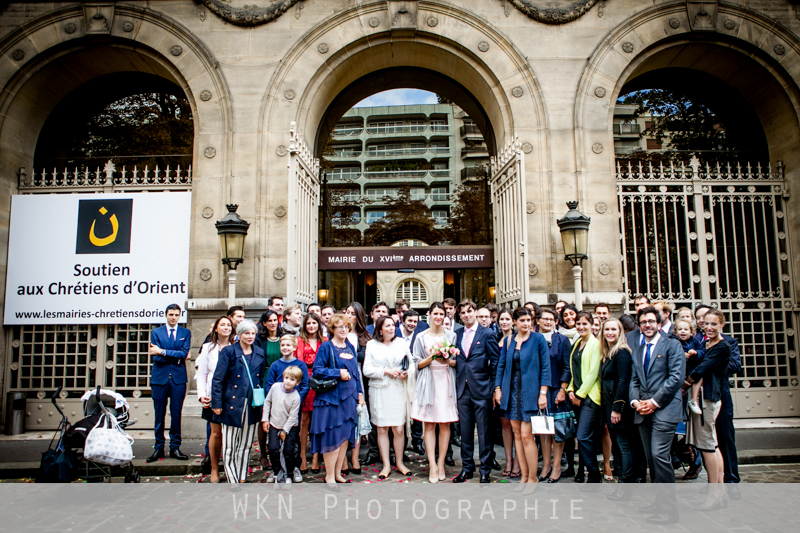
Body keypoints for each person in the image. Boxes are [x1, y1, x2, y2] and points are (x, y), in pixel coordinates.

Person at [629, 306, 685, 525]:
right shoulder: (638, 349)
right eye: (643, 322)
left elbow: (676, 378)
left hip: (665, 409)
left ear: (659, 324)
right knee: (651, 459)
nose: (647, 325)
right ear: (639, 326)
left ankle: (669, 511)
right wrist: (635, 402)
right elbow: (634, 380)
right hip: (643, 411)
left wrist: (653, 402)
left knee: (660, 456)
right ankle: (659, 502)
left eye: (651, 321)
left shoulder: (672, 345)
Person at [493, 307, 549, 495]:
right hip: (512, 392)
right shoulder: (509, 340)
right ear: (515, 322)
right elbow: (501, 366)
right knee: (516, 434)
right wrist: (498, 389)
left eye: (528, 320)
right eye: (522, 320)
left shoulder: (538, 339)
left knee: (526, 435)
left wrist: (543, 393)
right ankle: (524, 476)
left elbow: (545, 367)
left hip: (531, 392)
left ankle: (533, 477)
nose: (526, 323)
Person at [309, 314, 365, 488]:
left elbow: (355, 373)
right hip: (331, 399)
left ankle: (338, 473)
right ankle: (329, 476)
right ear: (332, 329)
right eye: (340, 326)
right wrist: (337, 373)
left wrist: (360, 393)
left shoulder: (350, 346)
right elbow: (317, 370)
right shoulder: (326, 346)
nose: (344, 329)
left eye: (346, 327)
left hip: (349, 398)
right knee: (332, 436)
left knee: (344, 437)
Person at [686, 309, 732, 510]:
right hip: (704, 398)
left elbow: (701, 369)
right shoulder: (707, 344)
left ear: (722, 324)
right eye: (706, 324)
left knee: (707, 446)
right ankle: (720, 491)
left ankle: (713, 494)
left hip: (708, 399)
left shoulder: (722, 346)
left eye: (714, 324)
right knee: (712, 444)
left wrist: (686, 383)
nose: (709, 327)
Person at [211, 320, 266, 484]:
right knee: (230, 445)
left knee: (246, 444)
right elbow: (218, 379)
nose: (250, 336)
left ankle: (242, 477)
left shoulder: (259, 352)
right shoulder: (229, 351)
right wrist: (217, 403)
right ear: (239, 334)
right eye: (247, 333)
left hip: (252, 404)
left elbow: (260, 379)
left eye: (253, 333)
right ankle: (232, 479)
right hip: (232, 403)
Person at [695, 305, 742, 494]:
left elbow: (735, 365)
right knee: (708, 442)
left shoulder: (728, 342)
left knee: (724, 437)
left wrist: (711, 363)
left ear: (720, 323)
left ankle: (731, 482)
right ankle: (713, 482)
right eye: (700, 319)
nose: (704, 323)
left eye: (709, 320)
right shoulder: (697, 342)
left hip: (719, 393)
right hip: (700, 395)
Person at [411, 302, 459, 483]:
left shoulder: (451, 335)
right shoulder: (421, 337)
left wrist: (448, 360)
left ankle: (441, 463)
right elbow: (416, 364)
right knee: (429, 425)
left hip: (445, 381)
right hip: (428, 381)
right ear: (429, 314)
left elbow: (456, 362)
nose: (438, 317)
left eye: (441, 314)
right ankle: (431, 464)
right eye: (436, 313)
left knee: (445, 424)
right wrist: (433, 356)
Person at [453, 299, 500, 483]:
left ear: (475, 312)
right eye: (463, 312)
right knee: (465, 432)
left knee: (484, 433)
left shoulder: (487, 334)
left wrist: (495, 388)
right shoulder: (456, 334)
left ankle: (485, 470)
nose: (466, 315)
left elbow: (495, 362)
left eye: (469, 311)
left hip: (482, 389)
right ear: (459, 315)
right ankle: (467, 467)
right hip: (462, 389)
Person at [363, 315, 414, 479]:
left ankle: (399, 462)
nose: (392, 328)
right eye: (387, 326)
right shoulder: (371, 345)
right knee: (382, 428)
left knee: (398, 428)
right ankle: (386, 465)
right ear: (380, 329)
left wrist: (407, 373)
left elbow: (411, 363)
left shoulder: (401, 343)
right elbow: (366, 370)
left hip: (398, 389)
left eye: (393, 325)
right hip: (379, 390)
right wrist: (385, 371)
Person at [148, 304, 192, 462]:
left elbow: (184, 353)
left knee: (176, 414)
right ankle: (158, 447)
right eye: (171, 314)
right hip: (160, 378)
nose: (173, 317)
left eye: (176, 315)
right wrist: (176, 357)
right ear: (166, 315)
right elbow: (156, 358)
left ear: (180, 315)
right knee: (159, 415)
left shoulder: (185, 332)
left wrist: (162, 351)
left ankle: (175, 447)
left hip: (178, 379)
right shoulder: (156, 332)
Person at [599, 319, 637, 501]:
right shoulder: (608, 352)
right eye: (607, 329)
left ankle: (626, 485)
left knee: (624, 447)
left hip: (619, 409)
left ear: (620, 331)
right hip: (609, 407)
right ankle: (622, 483)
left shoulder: (622, 352)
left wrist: (617, 408)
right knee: (617, 447)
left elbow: (623, 381)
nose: (610, 332)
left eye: (614, 329)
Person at [265, 334, 310, 482]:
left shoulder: (300, 365)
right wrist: (276, 400)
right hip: (277, 410)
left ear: (294, 347)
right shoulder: (275, 365)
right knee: (274, 444)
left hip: (293, 409)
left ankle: (294, 467)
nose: (285, 348)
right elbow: (269, 385)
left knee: (292, 441)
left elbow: (305, 386)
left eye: (288, 345)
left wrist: (294, 400)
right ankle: (277, 470)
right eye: (283, 345)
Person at [566, 310, 603, 485]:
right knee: (583, 438)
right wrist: (570, 389)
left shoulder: (596, 344)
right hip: (576, 396)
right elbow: (574, 370)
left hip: (590, 397)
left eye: (584, 324)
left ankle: (594, 475)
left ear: (591, 325)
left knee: (582, 437)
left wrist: (580, 395)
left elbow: (593, 373)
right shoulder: (577, 343)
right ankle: (583, 472)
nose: (581, 327)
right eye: (578, 324)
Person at [536, 307, 572, 483]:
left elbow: (567, 367)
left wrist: (563, 389)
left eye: (551, 319)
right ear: (538, 321)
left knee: (557, 430)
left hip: (557, 390)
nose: (548, 322)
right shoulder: (533, 339)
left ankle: (557, 467)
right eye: (545, 319)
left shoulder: (562, 340)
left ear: (556, 322)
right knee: (544, 431)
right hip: (539, 391)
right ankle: (546, 466)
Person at [195, 315, 232, 482]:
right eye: (222, 325)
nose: (226, 327)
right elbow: (202, 373)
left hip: (231, 396)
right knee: (216, 433)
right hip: (213, 395)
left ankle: (231, 469)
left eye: (228, 325)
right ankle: (215, 468)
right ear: (216, 328)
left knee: (230, 434)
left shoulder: (236, 347)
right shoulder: (208, 348)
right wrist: (202, 395)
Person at [296, 313, 327, 474]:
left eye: (314, 323)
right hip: (305, 382)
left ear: (318, 325)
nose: (311, 326)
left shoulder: (325, 341)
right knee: (304, 421)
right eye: (308, 323)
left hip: (321, 383)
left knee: (318, 421)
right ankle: (302, 455)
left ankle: (315, 456)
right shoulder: (299, 341)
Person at [262, 365, 303, 484]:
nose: (288, 381)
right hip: (275, 424)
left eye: (292, 379)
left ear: (297, 382)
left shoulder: (296, 396)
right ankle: (276, 473)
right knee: (273, 449)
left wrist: (285, 430)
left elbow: (293, 416)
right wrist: (265, 419)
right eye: (286, 378)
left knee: (288, 451)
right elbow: (267, 402)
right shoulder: (275, 387)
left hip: (290, 427)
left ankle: (289, 475)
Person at [344, 302, 371, 469]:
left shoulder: (364, 337)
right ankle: (343, 458)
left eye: (353, 313)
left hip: (359, 376)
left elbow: (365, 357)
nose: (349, 316)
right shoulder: (338, 333)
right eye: (347, 312)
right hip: (341, 376)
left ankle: (355, 457)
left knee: (358, 414)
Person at [255, 309, 282, 470]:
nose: (273, 323)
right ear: (264, 323)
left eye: (275, 320)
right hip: (265, 377)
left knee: (280, 415)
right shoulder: (259, 340)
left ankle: (278, 451)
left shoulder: (283, 337)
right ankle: (263, 455)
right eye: (269, 321)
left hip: (282, 378)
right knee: (264, 416)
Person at [495, 308, 519, 478]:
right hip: (500, 385)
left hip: (514, 384)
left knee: (516, 425)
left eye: (507, 319)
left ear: (513, 322)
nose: (504, 322)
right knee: (505, 424)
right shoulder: (494, 338)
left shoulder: (517, 338)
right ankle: (508, 460)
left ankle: (517, 461)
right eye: (501, 319)